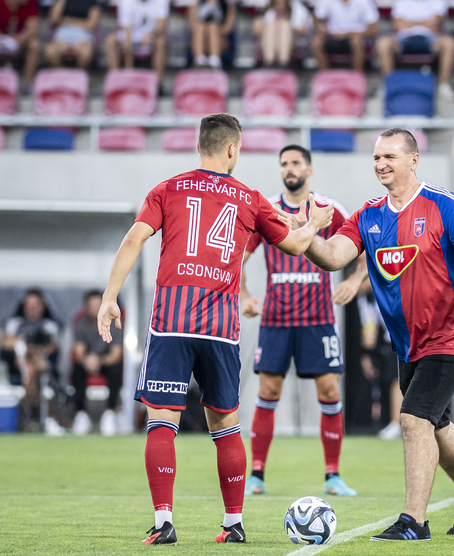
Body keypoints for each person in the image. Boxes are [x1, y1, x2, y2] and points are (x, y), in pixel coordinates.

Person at [95, 113, 335, 545]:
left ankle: (164, 522)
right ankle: (233, 523)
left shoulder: (168, 189)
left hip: (171, 321)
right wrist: (315, 223)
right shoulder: (250, 198)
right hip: (221, 329)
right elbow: (298, 246)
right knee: (225, 425)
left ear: (198, 145)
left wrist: (110, 297)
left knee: (161, 421)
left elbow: (133, 239)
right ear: (232, 149)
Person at [302, 128, 454, 542]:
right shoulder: (368, 215)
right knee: (435, 423)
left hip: (452, 334)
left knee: (412, 419)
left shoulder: (444, 206)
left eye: (389, 157)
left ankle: (414, 521)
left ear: (414, 160)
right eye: (377, 157)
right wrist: (305, 235)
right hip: (408, 343)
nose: (381, 164)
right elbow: (334, 257)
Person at [239, 144, 367, 498]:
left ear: (309, 169)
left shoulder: (329, 209)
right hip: (276, 319)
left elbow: (364, 250)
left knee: (329, 391)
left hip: (318, 319)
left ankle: (333, 476)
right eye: (284, 163)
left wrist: (354, 281)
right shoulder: (268, 210)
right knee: (268, 392)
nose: (289, 168)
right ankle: (256, 476)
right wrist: (244, 295)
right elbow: (237, 257)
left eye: (295, 163)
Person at [0, 288, 62, 421]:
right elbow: (5, 342)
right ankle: (38, 413)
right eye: (28, 306)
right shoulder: (15, 323)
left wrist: (31, 348)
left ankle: (29, 413)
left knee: (34, 365)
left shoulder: (49, 325)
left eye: (35, 306)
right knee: (28, 364)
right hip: (17, 364)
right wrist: (24, 345)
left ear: (43, 306)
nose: (32, 309)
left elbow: (51, 347)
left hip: (41, 365)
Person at [375, 0, 454, 100]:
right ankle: (389, 85)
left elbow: (436, 24)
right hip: (404, 39)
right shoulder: (401, 2)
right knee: (383, 43)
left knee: (449, 43)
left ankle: (443, 86)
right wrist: (426, 22)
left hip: (430, 39)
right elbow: (399, 25)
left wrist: (408, 23)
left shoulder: (438, 1)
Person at [71, 290, 125, 436]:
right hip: (87, 363)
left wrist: (99, 361)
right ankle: (81, 414)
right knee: (77, 370)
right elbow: (79, 352)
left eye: (98, 305)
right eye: (92, 306)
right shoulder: (80, 325)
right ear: (86, 308)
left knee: (116, 370)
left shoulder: (115, 324)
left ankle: (110, 412)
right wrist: (87, 361)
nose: (95, 309)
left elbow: (116, 355)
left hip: (106, 363)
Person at [357, 281, 403, 439]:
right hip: (395, 339)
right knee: (396, 378)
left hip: (416, 334)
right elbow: (369, 326)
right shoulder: (365, 298)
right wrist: (366, 356)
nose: (359, 286)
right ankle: (396, 423)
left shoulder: (391, 282)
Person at [105, 0, 169, 86]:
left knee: (160, 42)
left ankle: (158, 84)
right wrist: (129, 68)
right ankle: (116, 82)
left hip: (152, 37)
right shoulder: (126, 2)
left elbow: (161, 25)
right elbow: (127, 33)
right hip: (130, 37)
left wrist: (150, 34)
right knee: (110, 41)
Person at [312, 0, 379, 72]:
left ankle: (357, 74)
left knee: (356, 41)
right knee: (316, 42)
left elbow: (373, 30)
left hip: (356, 36)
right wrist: (322, 29)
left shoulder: (365, 2)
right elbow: (316, 21)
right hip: (332, 36)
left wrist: (347, 34)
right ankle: (324, 74)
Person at [252, 0, 312, 68]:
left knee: (285, 25)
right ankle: (269, 61)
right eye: (278, 3)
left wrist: (289, 26)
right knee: (272, 26)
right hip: (271, 43)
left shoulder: (298, 10)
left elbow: (303, 32)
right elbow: (256, 30)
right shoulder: (269, 11)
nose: (280, 6)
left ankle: (283, 62)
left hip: (293, 42)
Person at [45, 0, 101, 70]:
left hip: (83, 36)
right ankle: (60, 74)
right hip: (62, 37)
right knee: (51, 51)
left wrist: (68, 21)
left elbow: (92, 24)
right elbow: (54, 20)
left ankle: (78, 75)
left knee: (86, 53)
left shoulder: (92, 2)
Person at [190, 0, 236, 69]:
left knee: (212, 27)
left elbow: (228, 27)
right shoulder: (197, 3)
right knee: (200, 27)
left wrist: (216, 30)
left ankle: (215, 60)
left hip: (220, 37)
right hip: (201, 38)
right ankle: (199, 59)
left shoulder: (226, 3)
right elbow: (192, 25)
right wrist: (206, 30)